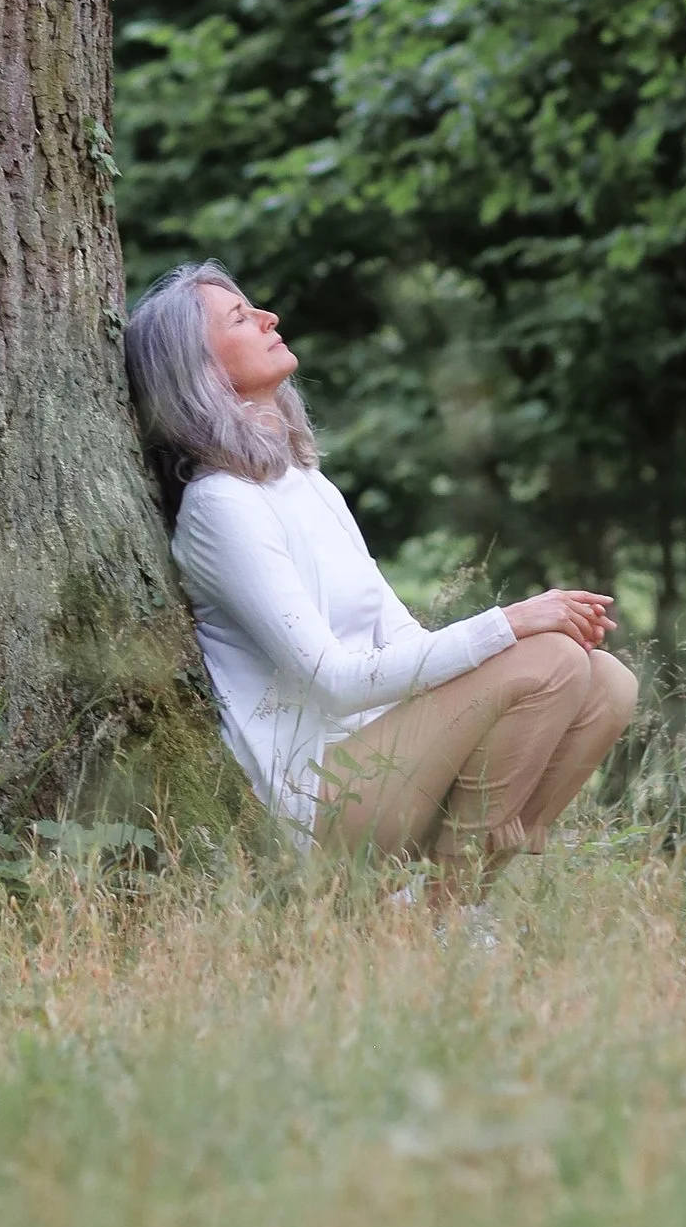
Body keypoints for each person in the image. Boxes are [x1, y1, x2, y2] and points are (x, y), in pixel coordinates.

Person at [123, 258, 637, 877]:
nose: (268, 318)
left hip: (393, 761)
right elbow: (333, 681)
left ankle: (454, 903)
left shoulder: (306, 482)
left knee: (606, 681)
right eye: (240, 316)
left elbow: (403, 643)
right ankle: (444, 916)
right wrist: (509, 623)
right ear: (197, 369)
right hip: (318, 799)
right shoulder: (221, 505)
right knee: (551, 659)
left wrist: (511, 638)